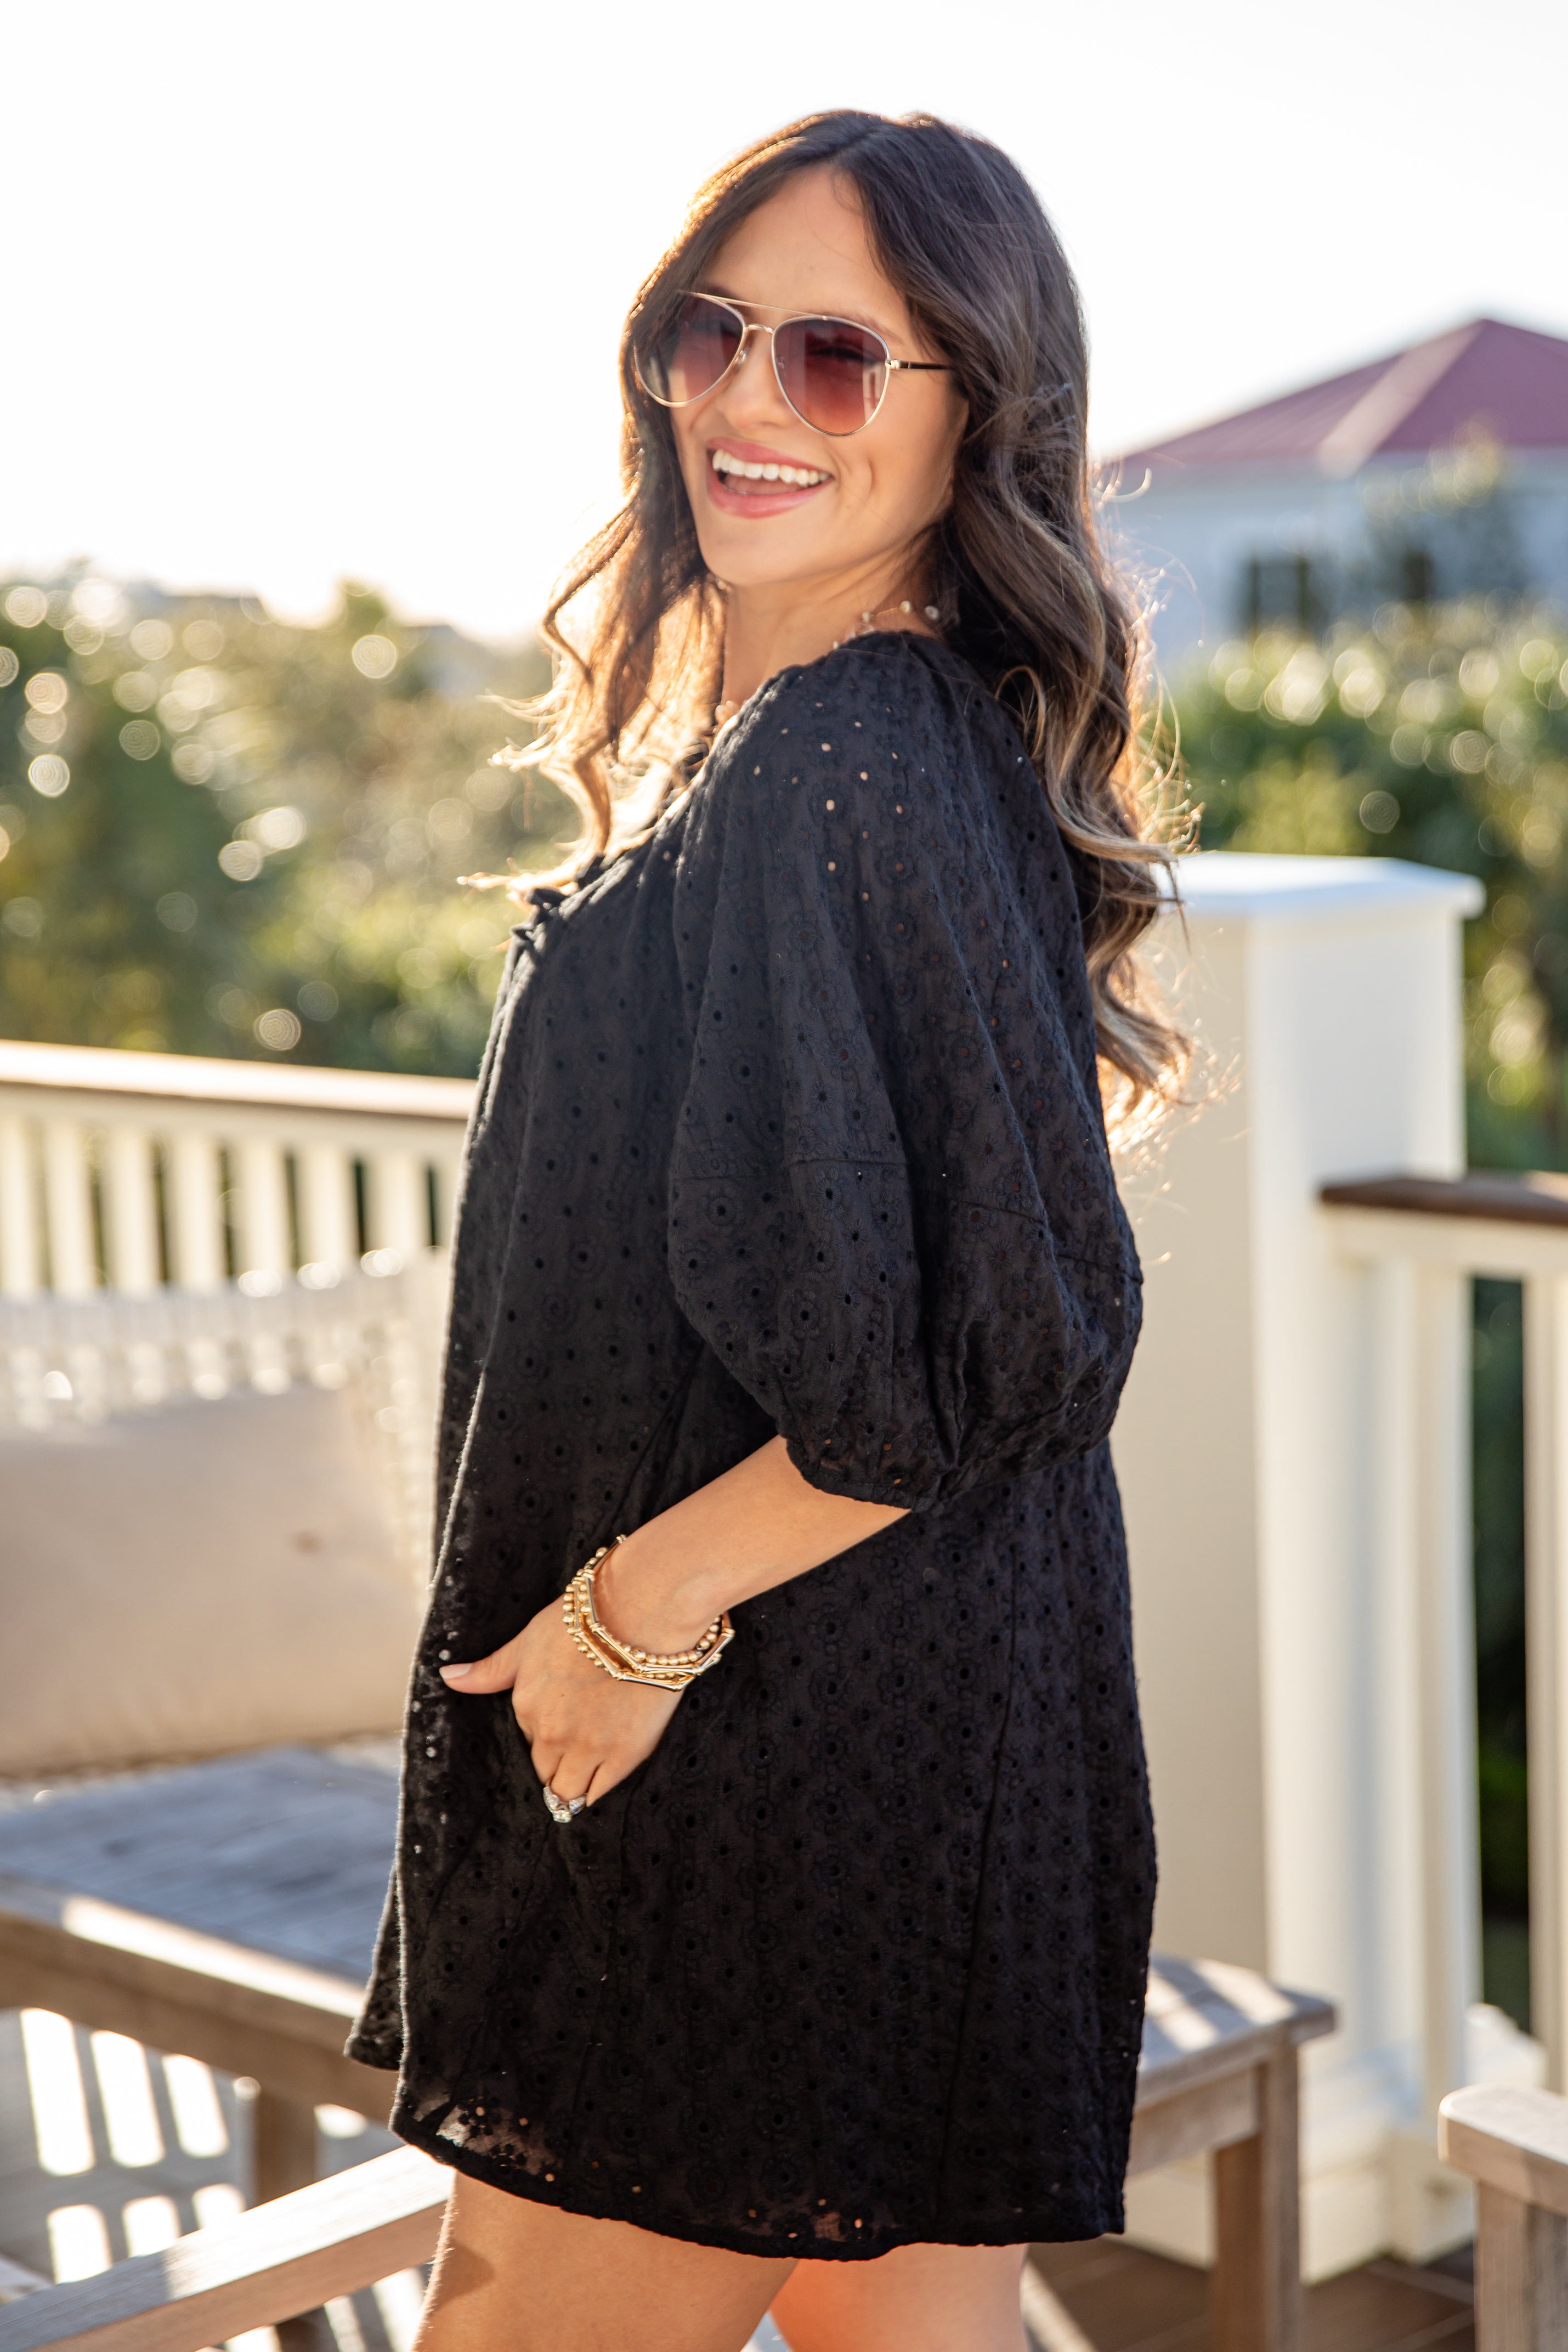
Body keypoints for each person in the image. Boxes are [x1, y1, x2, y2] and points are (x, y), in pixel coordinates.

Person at [349, 107, 1185, 2352]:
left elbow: (1009, 1344)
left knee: (519, 2300)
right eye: (706, 334)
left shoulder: (847, 760)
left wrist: (627, 1622)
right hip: (877, 1757)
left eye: (831, 359)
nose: (737, 399)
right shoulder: (840, 741)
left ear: (973, 413)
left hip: (761, 1788)